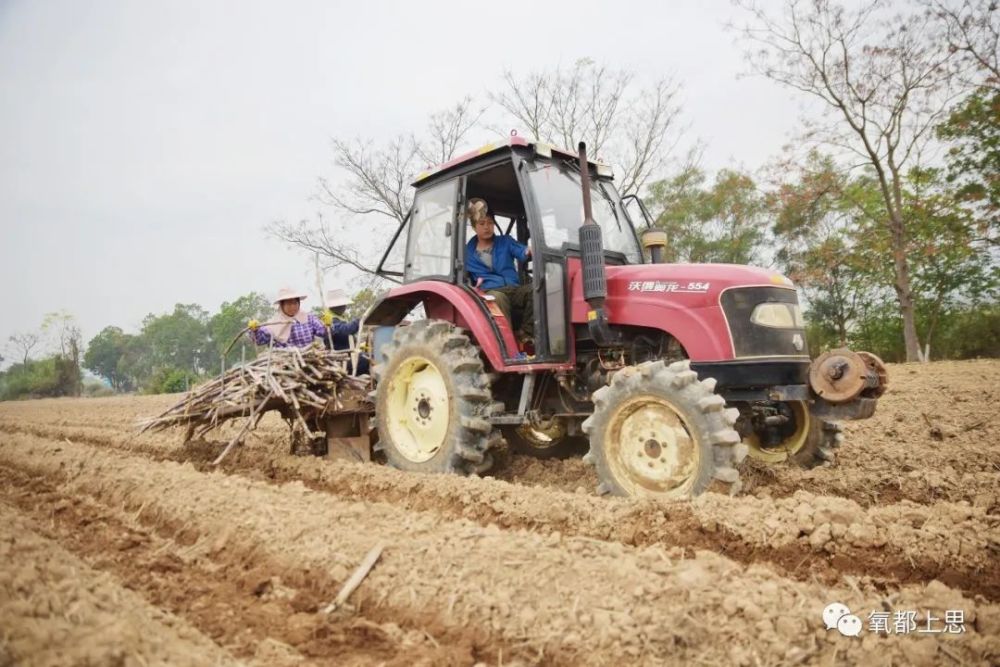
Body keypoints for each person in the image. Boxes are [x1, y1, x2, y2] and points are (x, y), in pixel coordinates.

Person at [463, 198, 534, 346]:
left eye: (490, 223)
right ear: (474, 227)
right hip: (490, 290)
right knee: (497, 298)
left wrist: (528, 251)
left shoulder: (505, 241)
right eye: (482, 223)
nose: (487, 227)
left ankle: (526, 334)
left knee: (535, 289)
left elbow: (521, 251)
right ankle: (506, 344)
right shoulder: (466, 253)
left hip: (513, 289)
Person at [248, 287, 333, 348]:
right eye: (289, 304)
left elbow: (324, 333)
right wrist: (255, 330)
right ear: (282, 305)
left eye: (295, 303)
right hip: (284, 363)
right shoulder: (274, 323)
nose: (292, 306)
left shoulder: (308, 318)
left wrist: (327, 325)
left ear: (299, 303)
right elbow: (259, 340)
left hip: (309, 359)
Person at [324, 288, 370, 374]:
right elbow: (346, 330)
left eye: (344, 305)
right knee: (367, 359)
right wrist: (359, 321)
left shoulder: (338, 317)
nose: (344, 307)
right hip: (340, 357)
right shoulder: (329, 319)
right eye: (341, 305)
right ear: (334, 306)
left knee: (369, 355)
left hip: (347, 354)